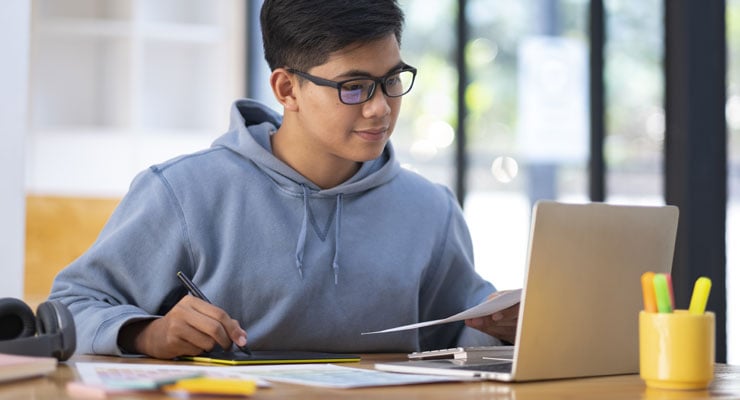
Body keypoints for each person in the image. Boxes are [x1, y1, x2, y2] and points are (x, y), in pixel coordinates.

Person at [48, 0, 519, 359]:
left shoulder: (430, 209)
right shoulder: (183, 192)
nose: (380, 107)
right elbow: (71, 306)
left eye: (392, 80)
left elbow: (455, 341)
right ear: (286, 88)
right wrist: (146, 333)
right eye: (354, 87)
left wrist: (508, 327)